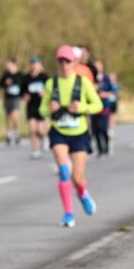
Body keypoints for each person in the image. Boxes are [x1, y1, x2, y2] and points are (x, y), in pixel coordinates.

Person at [40, 46, 103, 228]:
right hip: (59, 130)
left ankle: (83, 193)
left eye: (67, 61)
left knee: (77, 177)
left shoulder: (83, 82)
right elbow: (42, 109)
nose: (64, 64)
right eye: (61, 60)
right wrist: (49, 108)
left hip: (79, 133)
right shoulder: (51, 84)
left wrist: (82, 107)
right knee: (64, 172)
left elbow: (97, 105)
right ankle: (68, 213)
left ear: (74, 62)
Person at [22, 56, 49, 159]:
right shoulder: (26, 78)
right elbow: (23, 91)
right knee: (32, 129)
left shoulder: (44, 77)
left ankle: (45, 137)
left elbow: (50, 91)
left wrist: (45, 94)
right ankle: (36, 150)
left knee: (40, 130)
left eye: (36, 63)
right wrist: (25, 96)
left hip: (42, 106)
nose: (34, 66)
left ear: (40, 64)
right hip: (31, 106)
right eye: (32, 63)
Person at [91, 59, 117, 158]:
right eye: (95, 65)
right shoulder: (91, 78)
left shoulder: (106, 78)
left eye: (99, 65)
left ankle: (106, 147)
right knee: (95, 129)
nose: (97, 67)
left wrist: (105, 94)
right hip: (94, 106)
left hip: (104, 106)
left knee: (103, 128)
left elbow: (112, 91)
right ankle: (99, 150)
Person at [0, 58, 24, 145]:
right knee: (8, 117)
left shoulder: (20, 75)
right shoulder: (6, 74)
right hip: (7, 98)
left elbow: (24, 86)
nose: (7, 67)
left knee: (15, 116)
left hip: (16, 98)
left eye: (9, 65)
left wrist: (23, 96)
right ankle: (9, 134)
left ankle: (16, 133)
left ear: (14, 64)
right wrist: (5, 83)